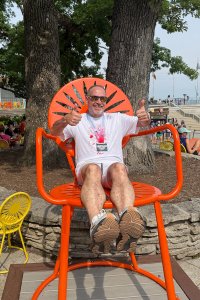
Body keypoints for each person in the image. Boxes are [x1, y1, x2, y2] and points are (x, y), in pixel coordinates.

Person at [51, 85, 150, 254]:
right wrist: (63, 120)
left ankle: (128, 221)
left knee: (120, 168)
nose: (98, 101)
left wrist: (144, 117)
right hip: (88, 170)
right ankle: (98, 223)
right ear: (87, 99)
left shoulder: (117, 119)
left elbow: (142, 123)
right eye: (94, 98)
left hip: (112, 171)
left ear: (106, 101)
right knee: (93, 169)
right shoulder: (77, 120)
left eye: (102, 99)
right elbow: (54, 132)